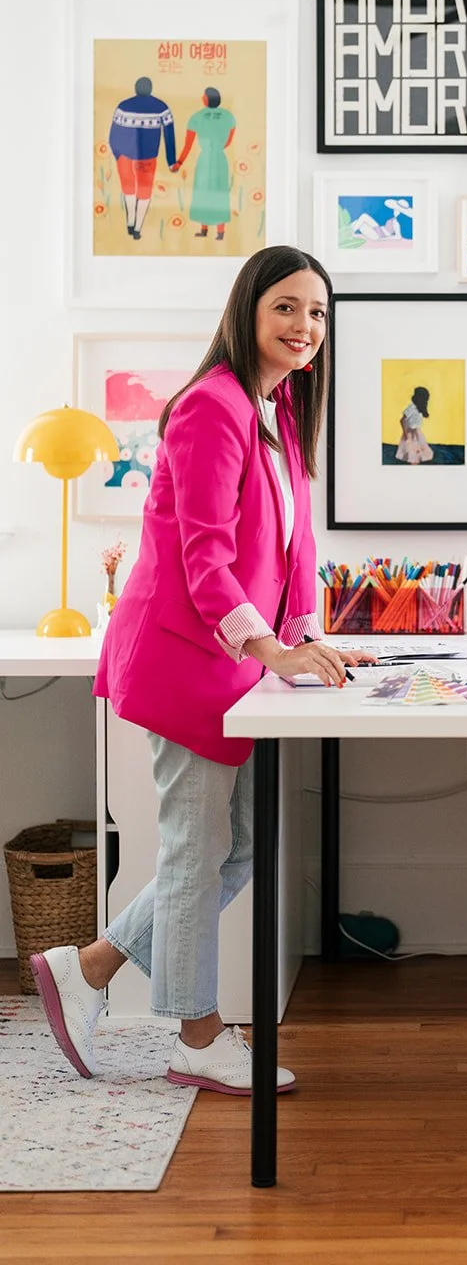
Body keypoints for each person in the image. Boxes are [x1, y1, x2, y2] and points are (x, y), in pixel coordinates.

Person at [30, 245, 377, 1095]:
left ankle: (91, 966)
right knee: (196, 848)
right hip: (186, 662)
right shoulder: (208, 407)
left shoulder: (278, 407)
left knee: (239, 846)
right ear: (249, 309)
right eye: (287, 308)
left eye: (318, 314)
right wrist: (269, 650)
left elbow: (293, 545)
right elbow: (204, 559)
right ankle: (195, 1034)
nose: (305, 327)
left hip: (235, 666)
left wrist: (308, 633)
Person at [107, 75, 177, 240]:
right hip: (148, 158)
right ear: (150, 89)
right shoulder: (161, 108)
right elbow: (169, 136)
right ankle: (138, 228)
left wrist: (117, 154)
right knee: (144, 193)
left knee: (128, 190)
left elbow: (113, 135)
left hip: (124, 157)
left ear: (136, 88)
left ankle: (130, 223)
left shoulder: (123, 107)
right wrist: (171, 161)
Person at [170, 86, 236, 242]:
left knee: (203, 193)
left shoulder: (196, 117)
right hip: (220, 159)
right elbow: (228, 141)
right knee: (220, 193)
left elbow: (188, 145)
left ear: (206, 99)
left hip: (204, 159)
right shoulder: (228, 116)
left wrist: (179, 163)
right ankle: (220, 232)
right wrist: (217, 147)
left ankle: (204, 229)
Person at [396, 385, 433, 464]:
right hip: (410, 433)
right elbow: (402, 420)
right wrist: (406, 435)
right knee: (413, 454)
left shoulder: (420, 408)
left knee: (420, 452)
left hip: (417, 432)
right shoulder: (411, 407)